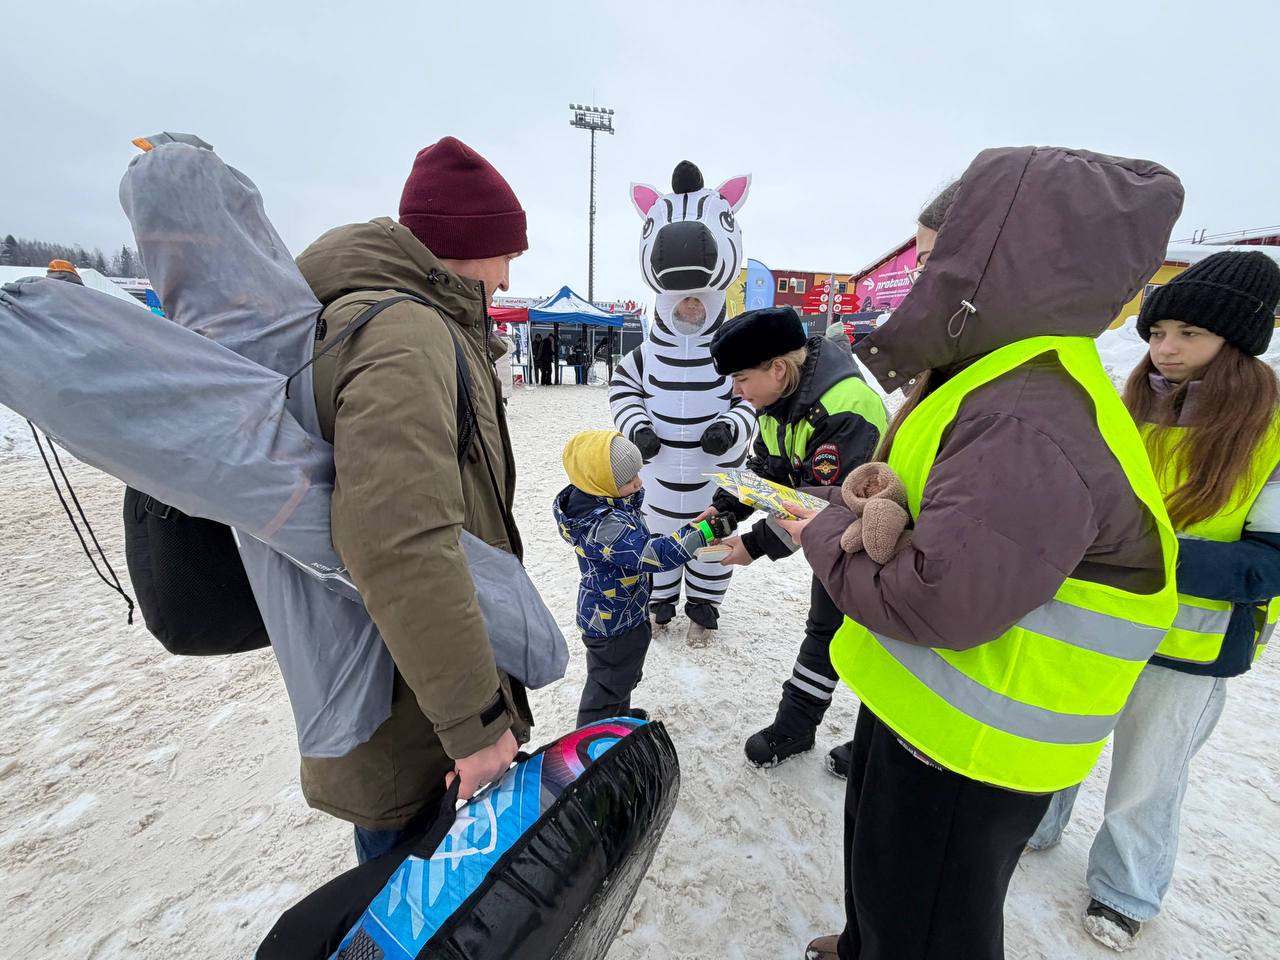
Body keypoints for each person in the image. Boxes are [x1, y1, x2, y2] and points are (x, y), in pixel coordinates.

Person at [782, 147, 1184, 960]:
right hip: (928, 709)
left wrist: (822, 531)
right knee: (885, 888)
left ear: (1003, 264)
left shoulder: (1027, 416)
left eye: (939, 260)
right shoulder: (999, 374)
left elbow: (942, 597)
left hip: (974, 744)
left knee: (932, 926)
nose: (921, 283)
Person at [1026, 250, 1280, 951]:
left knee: (1149, 774)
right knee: (1060, 733)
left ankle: (1125, 889)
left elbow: (1269, 564)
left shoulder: (1271, 431)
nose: (1166, 348)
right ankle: (1035, 826)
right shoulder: (1126, 406)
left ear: (1238, 339)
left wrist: (1148, 552)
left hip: (1191, 642)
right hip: (1099, 621)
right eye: (1158, 331)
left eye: (1189, 334)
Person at [294, 135, 533, 864]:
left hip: (405, 689)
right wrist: (474, 724)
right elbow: (400, 540)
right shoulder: (405, 331)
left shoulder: (407, 320)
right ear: (467, 246)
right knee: (419, 901)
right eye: (506, 254)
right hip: (416, 722)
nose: (509, 274)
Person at [700, 306, 886, 769]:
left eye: (740, 379)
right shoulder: (778, 402)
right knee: (824, 628)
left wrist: (753, 545)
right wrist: (724, 512)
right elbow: (768, 470)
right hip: (838, 539)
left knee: (882, 647)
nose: (735, 391)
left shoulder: (844, 408)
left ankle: (875, 748)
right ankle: (796, 728)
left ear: (778, 369)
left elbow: (823, 509)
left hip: (882, 543)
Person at [554, 430, 725, 725]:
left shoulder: (610, 506)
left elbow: (636, 547)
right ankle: (595, 739)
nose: (639, 483)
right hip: (611, 624)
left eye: (637, 473)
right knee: (607, 687)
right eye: (628, 479)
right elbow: (653, 555)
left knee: (624, 676)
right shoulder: (602, 524)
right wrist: (702, 533)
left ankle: (618, 718)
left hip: (625, 613)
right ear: (599, 483)